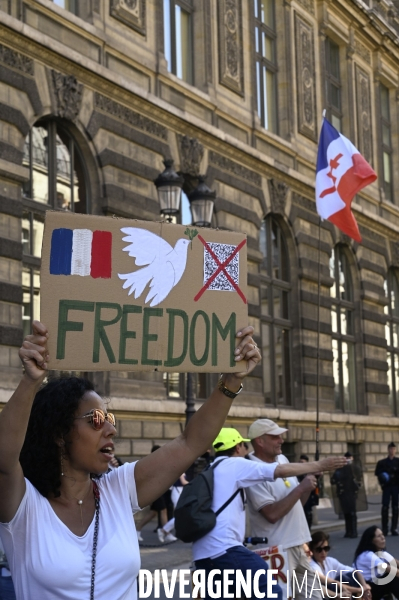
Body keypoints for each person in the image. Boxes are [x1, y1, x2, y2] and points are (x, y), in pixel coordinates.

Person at [0, 320, 260, 600]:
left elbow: (190, 443)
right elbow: (3, 461)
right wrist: (31, 381)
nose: (111, 429)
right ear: (59, 433)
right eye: (96, 420)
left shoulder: (118, 490)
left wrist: (232, 381)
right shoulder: (23, 507)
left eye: (109, 419)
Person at [192, 426, 346, 600]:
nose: (246, 451)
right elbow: (278, 471)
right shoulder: (235, 464)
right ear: (237, 447)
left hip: (202, 554)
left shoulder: (210, 469)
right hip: (225, 550)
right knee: (270, 592)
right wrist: (321, 464)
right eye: (244, 447)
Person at [246, 418, 325, 600]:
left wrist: (308, 483)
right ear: (260, 441)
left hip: (298, 545)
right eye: (275, 437)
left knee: (314, 597)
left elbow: (297, 503)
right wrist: (300, 488)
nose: (281, 440)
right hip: (277, 551)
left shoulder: (282, 459)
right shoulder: (252, 469)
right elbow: (271, 514)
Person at [309, 530, 371, 598]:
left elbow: (355, 571)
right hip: (326, 596)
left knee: (352, 576)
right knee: (339, 581)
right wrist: (359, 590)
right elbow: (327, 584)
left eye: (326, 548)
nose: (323, 552)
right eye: (319, 549)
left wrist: (365, 587)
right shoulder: (312, 565)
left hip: (337, 594)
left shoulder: (329, 561)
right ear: (312, 551)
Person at [353, 525, 399, 599]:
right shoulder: (367, 555)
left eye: (383, 535)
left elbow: (396, 563)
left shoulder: (381, 552)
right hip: (367, 588)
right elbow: (389, 569)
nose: (383, 538)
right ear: (371, 540)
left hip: (377, 585)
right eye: (379, 536)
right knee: (391, 576)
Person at [331, 451, 360, 538]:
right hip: (343, 493)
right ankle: (348, 531)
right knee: (346, 513)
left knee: (352, 512)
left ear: (352, 458)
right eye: (346, 458)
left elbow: (359, 478)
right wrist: (337, 476)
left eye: (349, 458)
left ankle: (354, 531)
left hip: (351, 493)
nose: (348, 460)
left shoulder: (354, 468)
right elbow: (333, 480)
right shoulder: (340, 469)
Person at [375, 442, 399, 535]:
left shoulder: (398, 461)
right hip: (387, 487)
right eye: (390, 449)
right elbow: (378, 473)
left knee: (395, 507)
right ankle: (384, 528)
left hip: (396, 486)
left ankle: (394, 528)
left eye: (393, 449)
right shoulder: (382, 462)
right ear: (388, 450)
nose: (392, 451)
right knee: (385, 507)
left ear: (395, 450)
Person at [157, 473, 188, 542]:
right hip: (177, 492)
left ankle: (164, 530)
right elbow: (183, 482)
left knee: (181, 514)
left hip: (179, 491)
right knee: (181, 514)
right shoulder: (180, 469)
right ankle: (164, 530)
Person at [298, 454, 319, 529]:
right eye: (300, 462)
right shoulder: (297, 473)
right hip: (299, 496)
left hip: (309, 497)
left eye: (303, 462)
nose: (301, 464)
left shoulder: (309, 472)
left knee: (308, 513)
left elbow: (316, 484)